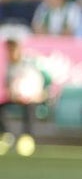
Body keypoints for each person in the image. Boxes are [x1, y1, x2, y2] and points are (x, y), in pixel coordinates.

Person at [1, 27, 50, 156]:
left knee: (30, 106)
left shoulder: (29, 65)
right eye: (8, 49)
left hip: (33, 98)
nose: (10, 52)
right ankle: (6, 136)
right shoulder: (10, 67)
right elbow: (9, 87)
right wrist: (14, 94)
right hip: (17, 98)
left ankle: (27, 138)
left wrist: (33, 95)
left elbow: (40, 88)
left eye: (13, 49)